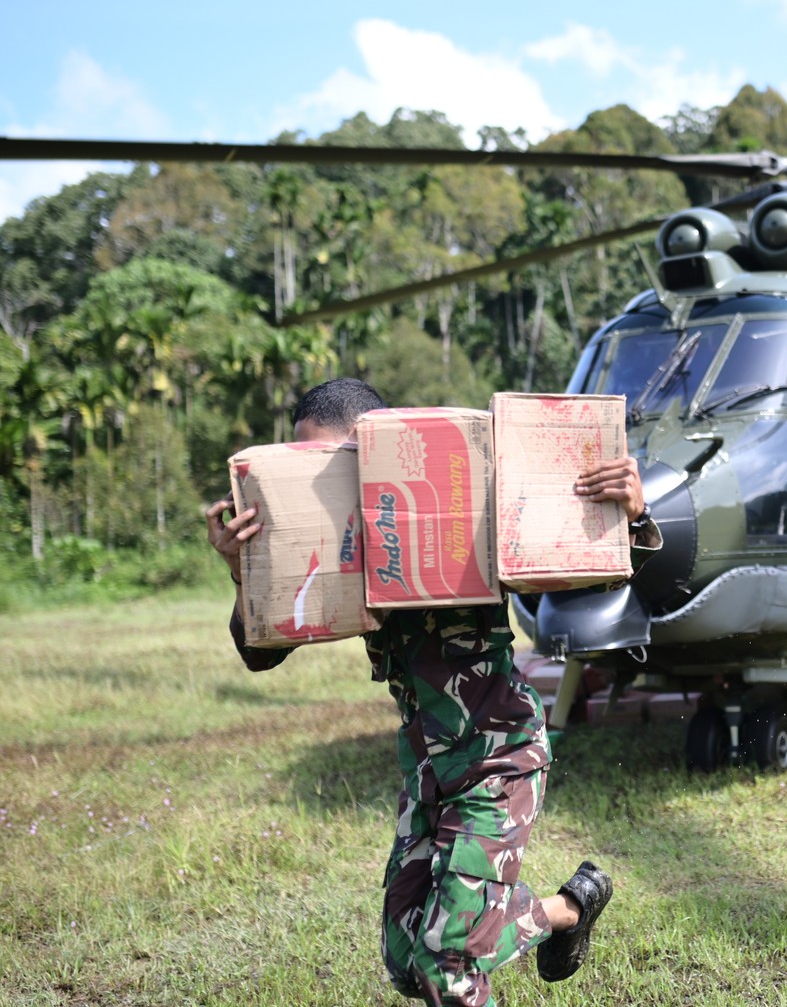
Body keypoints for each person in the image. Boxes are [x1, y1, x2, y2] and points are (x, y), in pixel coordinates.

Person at [205, 378, 661, 1006]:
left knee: (446, 960)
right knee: (405, 956)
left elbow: (586, 577)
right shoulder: (335, 553)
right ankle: (568, 909)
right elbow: (261, 654)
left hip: (497, 756)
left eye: (330, 467)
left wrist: (629, 517)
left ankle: (539, 916)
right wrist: (244, 571)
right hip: (427, 767)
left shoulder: (458, 504)